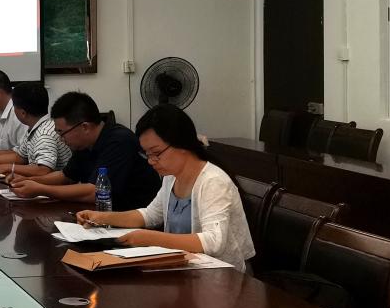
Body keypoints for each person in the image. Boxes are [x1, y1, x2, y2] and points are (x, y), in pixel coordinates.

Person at [75, 104, 256, 272]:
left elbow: (214, 241)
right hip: (187, 269)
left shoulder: (213, 181)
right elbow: (151, 215)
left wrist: (151, 238)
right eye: (147, 154)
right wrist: (102, 217)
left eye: (156, 153)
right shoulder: (171, 176)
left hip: (223, 277)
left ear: (182, 143)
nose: (151, 161)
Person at [9, 91, 160, 209]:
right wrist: (27, 181)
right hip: (102, 213)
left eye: (62, 133)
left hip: (134, 217)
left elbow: (94, 192)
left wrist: (41, 189)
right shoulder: (84, 144)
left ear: (85, 127)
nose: (61, 139)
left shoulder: (119, 141)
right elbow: (66, 176)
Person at [0, 82, 72, 176]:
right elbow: (20, 157)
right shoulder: (35, 128)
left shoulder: (44, 134)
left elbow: (43, 169)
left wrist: (7, 168)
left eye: (14, 106)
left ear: (23, 113)